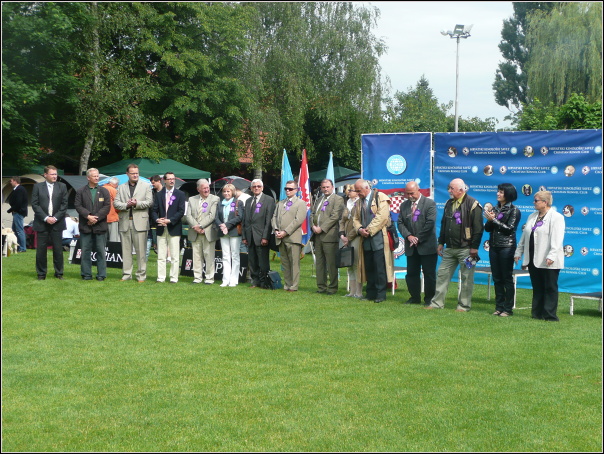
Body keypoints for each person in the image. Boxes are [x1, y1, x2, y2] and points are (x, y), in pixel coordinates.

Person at [426, 178, 484, 312]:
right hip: (450, 248)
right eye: (449, 188)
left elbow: (478, 228)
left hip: (466, 249)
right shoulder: (448, 203)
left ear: (461, 190)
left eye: (452, 188)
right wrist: (441, 242)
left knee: (466, 278)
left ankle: (463, 306)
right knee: (441, 274)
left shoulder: (473, 204)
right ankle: (436, 303)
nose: (449, 191)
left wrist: (474, 247)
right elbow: (444, 224)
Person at [515, 191, 565, 321]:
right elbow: (525, 235)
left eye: (536, 200)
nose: (534, 202)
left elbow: (557, 238)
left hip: (548, 258)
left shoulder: (556, 217)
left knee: (549, 287)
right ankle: (537, 313)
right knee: (537, 287)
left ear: (545, 202)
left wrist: (552, 255)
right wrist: (518, 252)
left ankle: (549, 315)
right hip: (533, 257)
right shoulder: (532, 216)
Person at [352, 179, 394, 303]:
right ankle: (370, 293)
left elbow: (382, 217)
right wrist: (359, 229)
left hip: (378, 238)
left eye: (359, 191)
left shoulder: (380, 197)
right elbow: (355, 218)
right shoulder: (359, 202)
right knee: (368, 266)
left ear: (366, 188)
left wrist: (369, 230)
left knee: (379, 267)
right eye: (356, 191)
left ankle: (381, 294)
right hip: (365, 240)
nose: (357, 193)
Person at [397, 181, 438, 306]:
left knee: (429, 274)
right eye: (407, 194)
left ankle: (429, 299)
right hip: (411, 247)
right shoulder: (404, 205)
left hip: (427, 246)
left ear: (418, 190)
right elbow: (400, 223)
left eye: (412, 193)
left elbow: (430, 223)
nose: (409, 196)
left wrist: (418, 238)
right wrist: (409, 236)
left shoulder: (429, 204)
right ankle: (414, 297)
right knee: (411, 273)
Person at [484, 183, 521, 317]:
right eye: (498, 191)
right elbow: (487, 229)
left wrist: (493, 220)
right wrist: (489, 220)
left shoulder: (514, 210)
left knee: (506, 278)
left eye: (501, 192)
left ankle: (508, 308)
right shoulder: (495, 208)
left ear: (508, 194)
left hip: (507, 246)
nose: (498, 194)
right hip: (494, 246)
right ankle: (499, 307)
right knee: (497, 277)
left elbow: (509, 229)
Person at [113, 164, 153, 282]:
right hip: (125, 222)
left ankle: (141, 275)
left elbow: (150, 202)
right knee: (126, 251)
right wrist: (127, 205)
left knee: (141, 251)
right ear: (127, 174)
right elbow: (116, 203)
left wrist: (137, 203)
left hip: (140, 222)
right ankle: (126, 274)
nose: (135, 175)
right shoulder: (121, 187)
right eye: (133, 173)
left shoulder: (146, 186)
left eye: (137, 173)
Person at [31, 165, 68, 280]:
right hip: (42, 223)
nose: (54, 176)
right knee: (41, 250)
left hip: (57, 223)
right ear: (45, 175)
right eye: (52, 174)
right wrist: (46, 217)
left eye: (55, 174)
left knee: (58, 249)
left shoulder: (62, 186)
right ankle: (41, 273)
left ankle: (59, 273)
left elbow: (64, 204)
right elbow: (35, 204)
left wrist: (55, 218)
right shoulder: (37, 187)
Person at [74, 168, 111, 281]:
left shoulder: (104, 191)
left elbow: (107, 206)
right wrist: (88, 216)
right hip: (86, 226)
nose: (96, 178)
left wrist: (96, 218)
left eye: (97, 176)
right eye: (94, 176)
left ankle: (101, 274)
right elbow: (78, 205)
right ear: (88, 178)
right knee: (85, 251)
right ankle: (86, 274)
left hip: (100, 226)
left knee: (100, 251)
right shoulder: (81, 191)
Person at [272, 180, 307, 292]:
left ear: (296, 190)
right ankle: (287, 284)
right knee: (285, 263)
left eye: (290, 189)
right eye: (286, 188)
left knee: (294, 263)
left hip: (292, 238)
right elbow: (274, 217)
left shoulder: (300, 203)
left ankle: (294, 285)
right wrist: (276, 229)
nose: (288, 190)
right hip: (280, 237)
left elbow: (298, 220)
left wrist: (285, 232)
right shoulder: (281, 203)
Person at [311, 179, 345, 295]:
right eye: (323, 187)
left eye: (327, 187)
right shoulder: (319, 199)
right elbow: (312, 214)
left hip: (329, 235)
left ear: (332, 187)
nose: (325, 189)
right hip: (317, 236)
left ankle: (332, 287)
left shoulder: (338, 199)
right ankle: (321, 287)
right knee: (319, 263)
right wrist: (313, 226)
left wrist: (322, 228)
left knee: (331, 263)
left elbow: (335, 216)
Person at [152, 172, 186, 284]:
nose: (172, 181)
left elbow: (181, 211)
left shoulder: (180, 194)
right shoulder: (158, 194)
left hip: (174, 227)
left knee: (175, 255)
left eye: (173, 179)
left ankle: (173, 277)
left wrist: (170, 220)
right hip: (161, 227)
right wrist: (157, 220)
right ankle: (161, 277)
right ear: (164, 180)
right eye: (169, 179)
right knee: (161, 254)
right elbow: (153, 210)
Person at [242, 179, 276, 288]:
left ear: (262, 188)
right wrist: (244, 236)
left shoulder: (269, 200)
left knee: (263, 262)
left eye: (258, 186)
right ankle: (255, 281)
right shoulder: (248, 201)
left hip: (261, 236)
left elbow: (269, 220)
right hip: (250, 235)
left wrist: (265, 236)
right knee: (252, 261)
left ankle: (264, 282)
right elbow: (245, 220)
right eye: (254, 186)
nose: (256, 188)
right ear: (251, 188)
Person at [185, 178, 220, 285]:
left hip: (208, 232)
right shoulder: (192, 199)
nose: (206, 190)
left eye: (207, 188)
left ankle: (209, 278)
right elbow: (188, 215)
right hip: (195, 232)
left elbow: (212, 216)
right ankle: (197, 278)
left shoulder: (215, 199)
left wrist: (200, 226)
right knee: (196, 256)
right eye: (204, 188)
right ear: (198, 189)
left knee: (208, 255)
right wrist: (196, 227)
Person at [215, 183, 244, 287]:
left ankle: (234, 279)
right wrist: (222, 226)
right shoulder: (220, 203)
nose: (226, 193)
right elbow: (216, 217)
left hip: (234, 232)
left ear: (232, 192)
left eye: (228, 191)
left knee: (235, 255)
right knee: (225, 256)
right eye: (224, 191)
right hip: (223, 232)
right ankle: (225, 279)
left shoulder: (238, 203)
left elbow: (240, 217)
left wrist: (227, 225)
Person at [339, 184, 362, 298]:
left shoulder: (360, 203)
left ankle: (359, 292)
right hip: (346, 237)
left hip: (356, 237)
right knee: (349, 263)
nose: (348, 192)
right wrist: (342, 234)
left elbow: (358, 223)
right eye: (347, 190)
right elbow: (342, 221)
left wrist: (349, 237)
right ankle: (352, 291)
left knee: (357, 263)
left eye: (351, 190)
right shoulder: (347, 203)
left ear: (357, 192)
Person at [7, 176, 28, 252]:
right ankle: (17, 246)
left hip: (18, 212)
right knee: (14, 230)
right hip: (16, 212)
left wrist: (10, 210)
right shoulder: (17, 189)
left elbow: (18, 203)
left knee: (19, 230)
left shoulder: (20, 189)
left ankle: (22, 247)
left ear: (15, 181)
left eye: (11, 181)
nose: (10, 182)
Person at [147, 175, 163, 258]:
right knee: (150, 236)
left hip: (162, 217)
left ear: (159, 181)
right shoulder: (151, 192)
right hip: (152, 217)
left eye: (153, 183)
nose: (152, 184)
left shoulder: (165, 192)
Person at [102, 177, 120, 242]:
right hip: (112, 216)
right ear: (116, 184)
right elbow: (117, 204)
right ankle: (114, 251)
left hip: (101, 217)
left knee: (103, 238)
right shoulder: (113, 190)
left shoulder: (101, 188)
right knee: (114, 238)